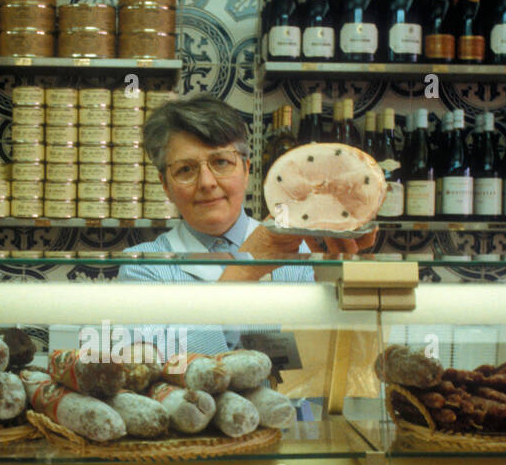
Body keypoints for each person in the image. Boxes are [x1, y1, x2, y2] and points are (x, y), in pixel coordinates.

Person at [119, 94, 375, 354]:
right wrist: (246, 269)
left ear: (246, 170)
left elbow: (328, 357)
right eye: (185, 169)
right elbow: (149, 364)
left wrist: (338, 274)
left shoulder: (301, 253)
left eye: (221, 162)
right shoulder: (142, 266)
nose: (206, 182)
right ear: (166, 185)